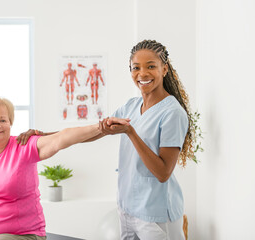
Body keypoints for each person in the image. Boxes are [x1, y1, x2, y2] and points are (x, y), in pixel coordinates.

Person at [19, 40, 194, 240]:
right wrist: (46, 135)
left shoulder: (172, 113)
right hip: (128, 208)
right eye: (135, 68)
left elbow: (163, 172)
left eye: (151, 66)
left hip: (156, 213)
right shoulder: (131, 106)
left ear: (164, 69)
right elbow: (96, 131)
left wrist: (131, 133)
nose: (142, 74)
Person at [0, 95, 104, 240]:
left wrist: (100, 127)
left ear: (10, 123)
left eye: (3, 120)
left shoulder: (23, 147)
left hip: (22, 234)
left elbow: (61, 138)